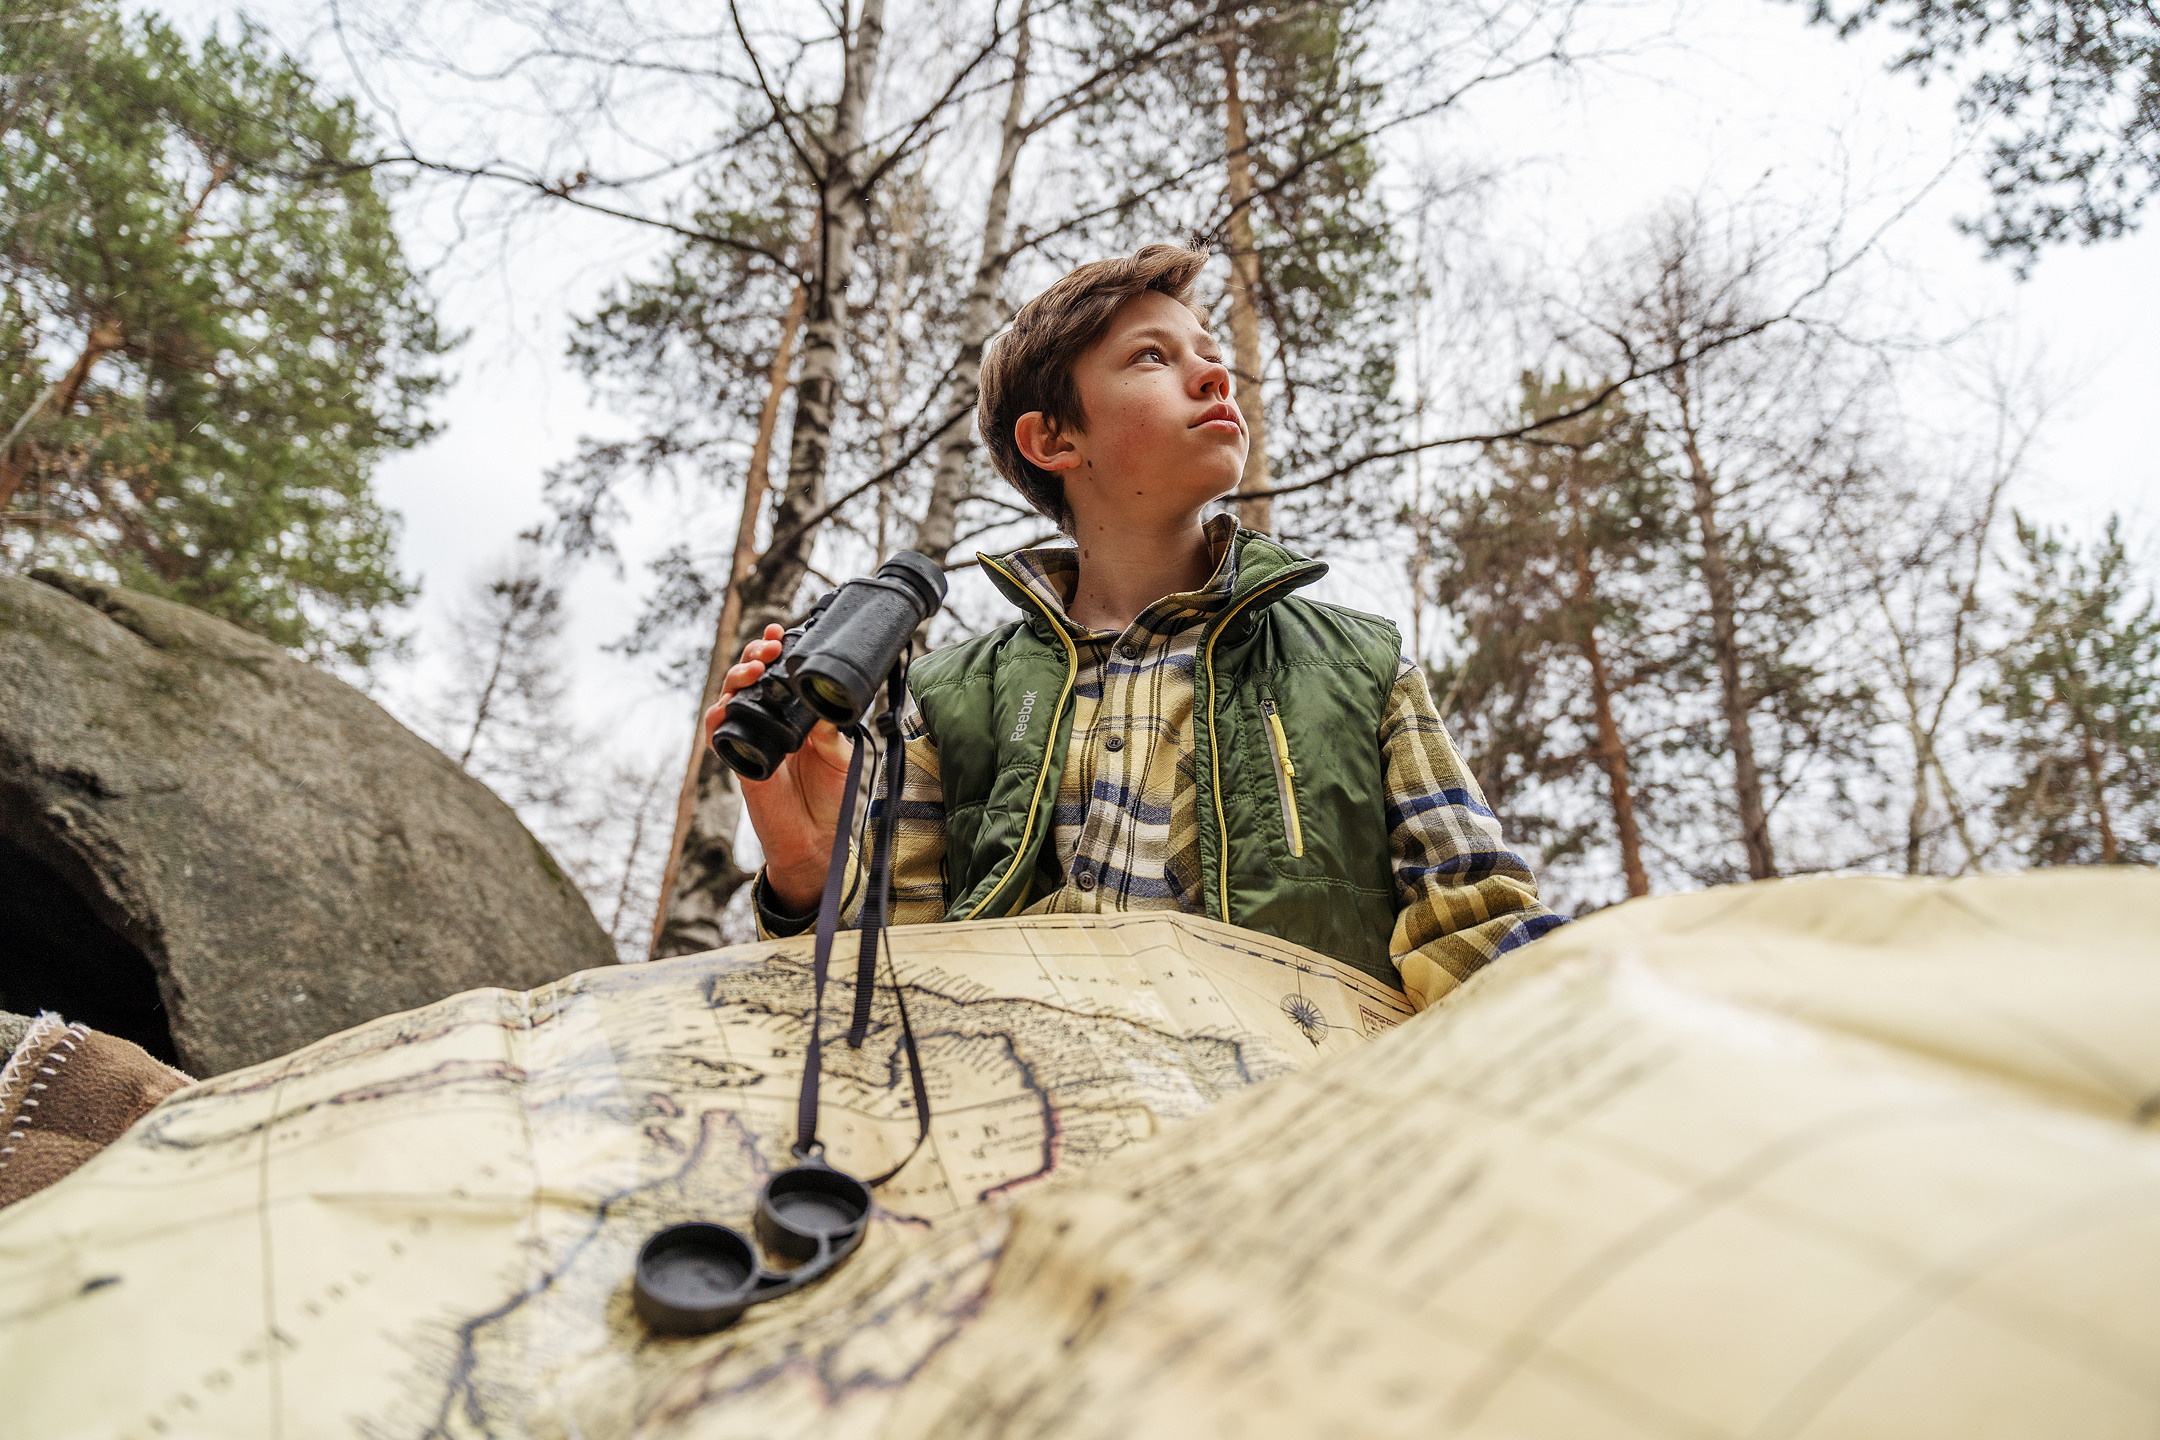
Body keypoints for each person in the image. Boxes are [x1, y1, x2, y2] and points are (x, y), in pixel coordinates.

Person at [702, 244, 1560, 1009]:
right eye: (1153, 357)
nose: (1215, 377)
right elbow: (898, 988)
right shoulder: (947, 698)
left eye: (1214, 358)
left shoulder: (1358, 666)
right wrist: (816, 879)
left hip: (1290, 1136)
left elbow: (1474, 926)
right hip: (1031, 1136)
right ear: (1053, 439)